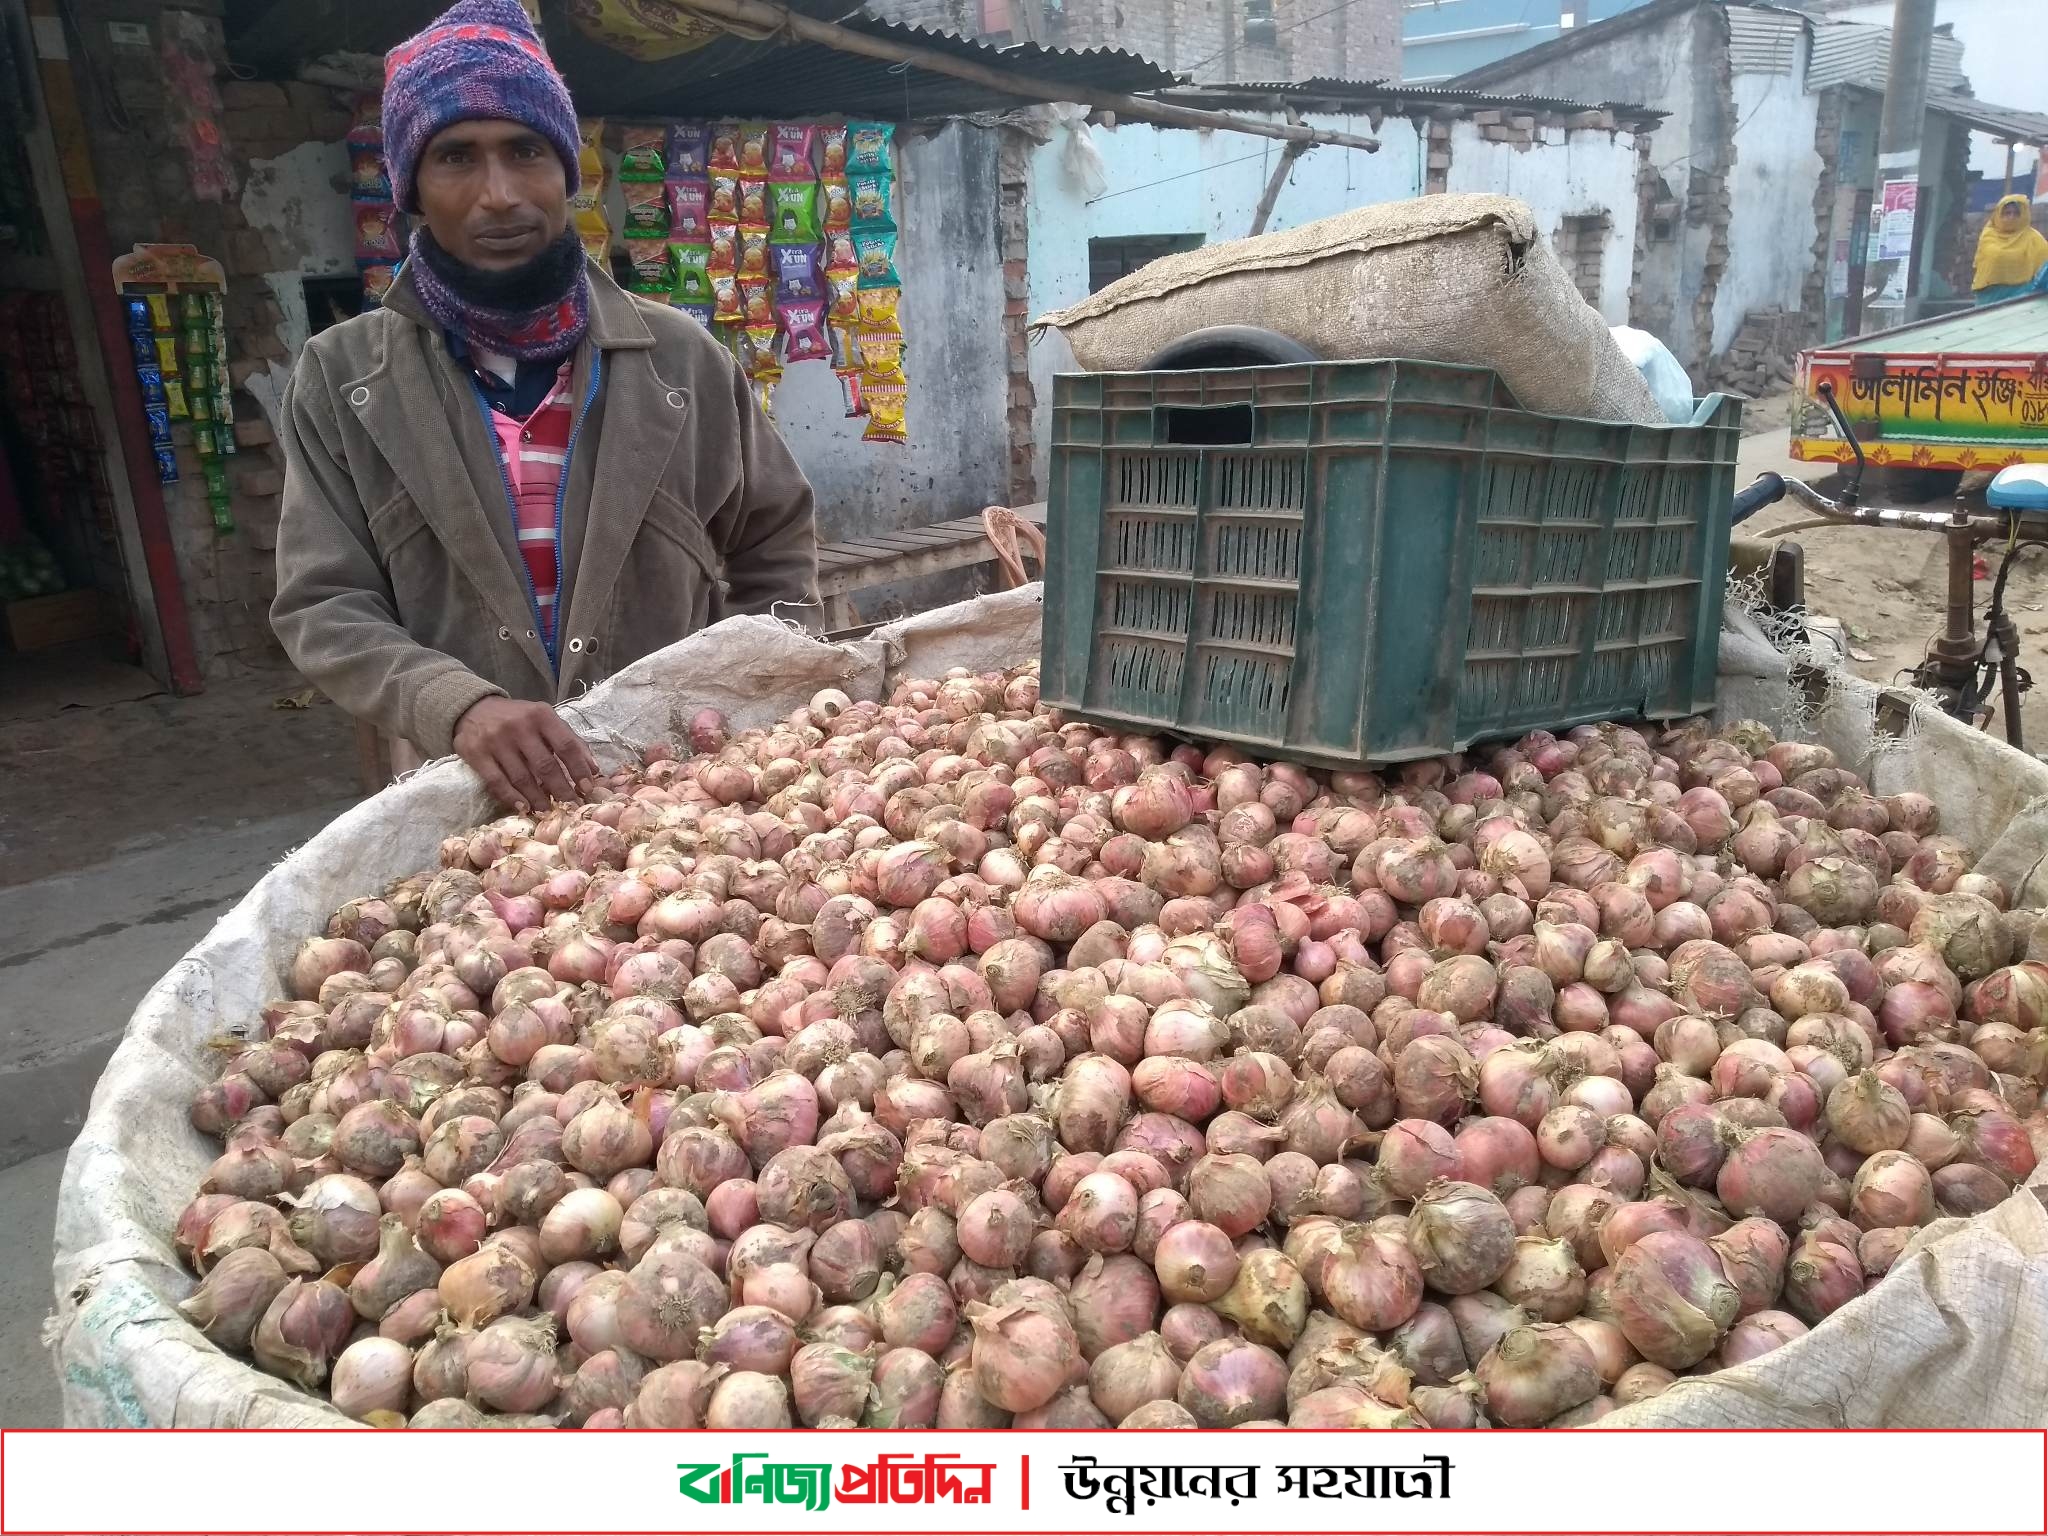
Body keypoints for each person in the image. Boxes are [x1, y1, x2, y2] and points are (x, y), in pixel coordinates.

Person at [271, 0, 818, 812]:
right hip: (468, 797)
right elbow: (324, 603)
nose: (498, 194)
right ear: (412, 190)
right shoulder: (344, 377)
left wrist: (752, 698)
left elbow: (775, 544)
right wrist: (452, 705)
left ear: (568, 171)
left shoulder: (680, 358)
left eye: (525, 150)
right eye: (455, 157)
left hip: (682, 788)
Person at [1971, 193, 2048, 306]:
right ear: (1998, 215)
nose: (2011, 217)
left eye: (2016, 214)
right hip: (1989, 297)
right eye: (2007, 213)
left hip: (2022, 299)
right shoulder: (1989, 235)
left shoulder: (2034, 238)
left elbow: (2044, 270)